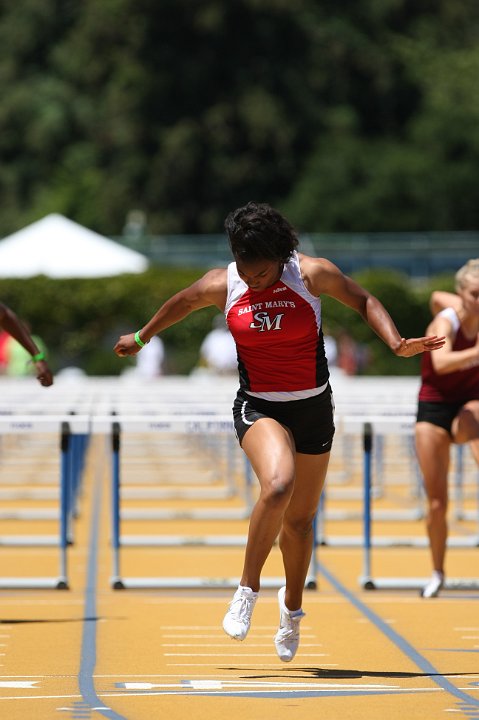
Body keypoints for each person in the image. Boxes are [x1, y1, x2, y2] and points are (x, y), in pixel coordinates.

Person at [113, 201, 444, 661]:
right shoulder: (223, 283)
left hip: (312, 407)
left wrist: (396, 342)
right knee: (278, 485)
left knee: (301, 520)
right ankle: (246, 590)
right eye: (247, 274)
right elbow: (182, 302)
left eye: (263, 274)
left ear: (281, 254)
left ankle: (291, 610)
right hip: (259, 405)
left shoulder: (311, 274)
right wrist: (142, 336)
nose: (254, 282)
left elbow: (363, 299)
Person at [415, 259, 479, 598]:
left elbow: (439, 294)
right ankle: (437, 572)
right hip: (434, 407)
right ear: (463, 295)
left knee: (475, 414)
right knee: (438, 503)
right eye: (475, 294)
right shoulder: (446, 320)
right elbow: (440, 361)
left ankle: (465, 436)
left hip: (470, 403)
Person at [0, 303, 53, 387]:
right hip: (13, 377)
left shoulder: (36, 340)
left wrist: (38, 358)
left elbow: (5, 315)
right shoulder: (10, 342)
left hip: (30, 378)